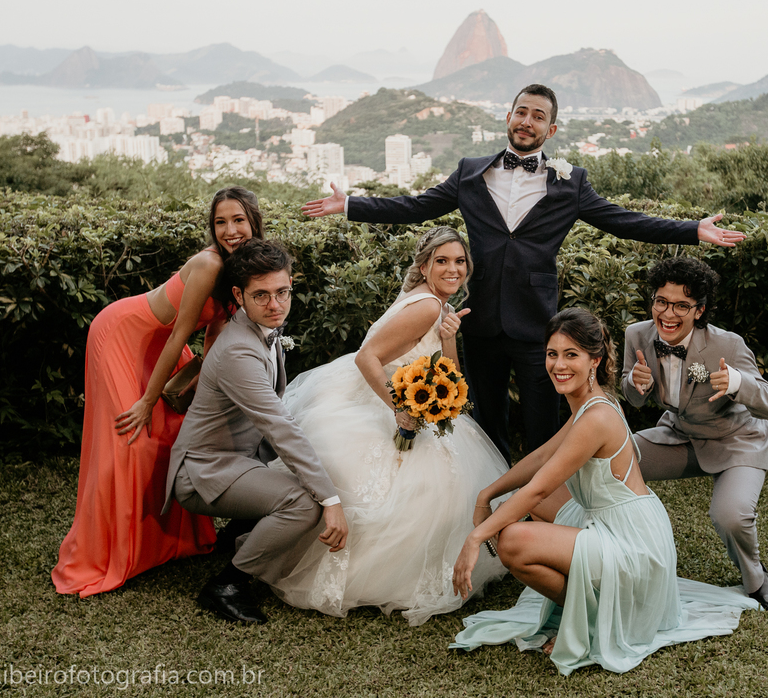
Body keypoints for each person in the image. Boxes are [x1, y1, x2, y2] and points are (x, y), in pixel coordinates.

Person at [302, 83, 746, 461]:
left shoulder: (571, 182)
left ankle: (541, 502)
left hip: (537, 322)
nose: (527, 121)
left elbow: (622, 219)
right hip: (481, 320)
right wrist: (350, 205)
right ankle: (495, 496)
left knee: (542, 421)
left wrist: (693, 230)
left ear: (550, 130)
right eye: (521, 112)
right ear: (508, 118)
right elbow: (416, 207)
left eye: (538, 116)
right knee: (484, 417)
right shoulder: (470, 173)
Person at [450, 308, 759, 675]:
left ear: (595, 360)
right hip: (624, 521)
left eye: (571, 355)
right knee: (530, 502)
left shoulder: (596, 417)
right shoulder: (593, 401)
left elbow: (537, 489)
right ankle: (589, 599)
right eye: (552, 354)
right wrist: (487, 493)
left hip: (631, 543)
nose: (558, 365)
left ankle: (596, 617)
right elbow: (544, 455)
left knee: (512, 539)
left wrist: (476, 537)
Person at [267, 226, 509, 625]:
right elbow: (367, 358)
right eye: (442, 261)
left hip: (402, 391)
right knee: (429, 487)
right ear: (425, 266)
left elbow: (446, 372)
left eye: (460, 261)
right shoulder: (428, 306)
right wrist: (399, 409)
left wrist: (449, 337)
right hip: (384, 394)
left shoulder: (437, 307)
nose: (453, 269)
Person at [52, 186, 262, 598]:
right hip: (125, 335)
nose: (229, 230)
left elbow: (215, 334)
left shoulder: (245, 269)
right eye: (220, 221)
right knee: (130, 441)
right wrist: (149, 400)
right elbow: (181, 333)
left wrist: (209, 380)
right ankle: (109, 553)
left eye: (238, 220)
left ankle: (166, 543)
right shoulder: (208, 264)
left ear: (254, 220)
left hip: (160, 345)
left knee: (171, 438)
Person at [162, 238, 348, 624]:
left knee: (306, 469)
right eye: (261, 295)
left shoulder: (262, 328)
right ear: (238, 295)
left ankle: (236, 538)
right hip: (202, 472)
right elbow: (278, 426)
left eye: (282, 292)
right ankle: (228, 583)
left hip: (238, 459)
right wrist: (331, 501)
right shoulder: (237, 351)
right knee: (305, 504)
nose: (275, 304)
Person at [622, 256, 768, 610]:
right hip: (680, 435)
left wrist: (738, 383)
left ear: (700, 310)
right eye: (661, 301)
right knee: (611, 460)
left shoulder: (727, 345)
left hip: (737, 441)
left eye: (682, 305)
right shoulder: (637, 335)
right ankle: (614, 556)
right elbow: (630, 393)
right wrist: (634, 384)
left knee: (730, 515)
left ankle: (754, 575)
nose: (668, 313)